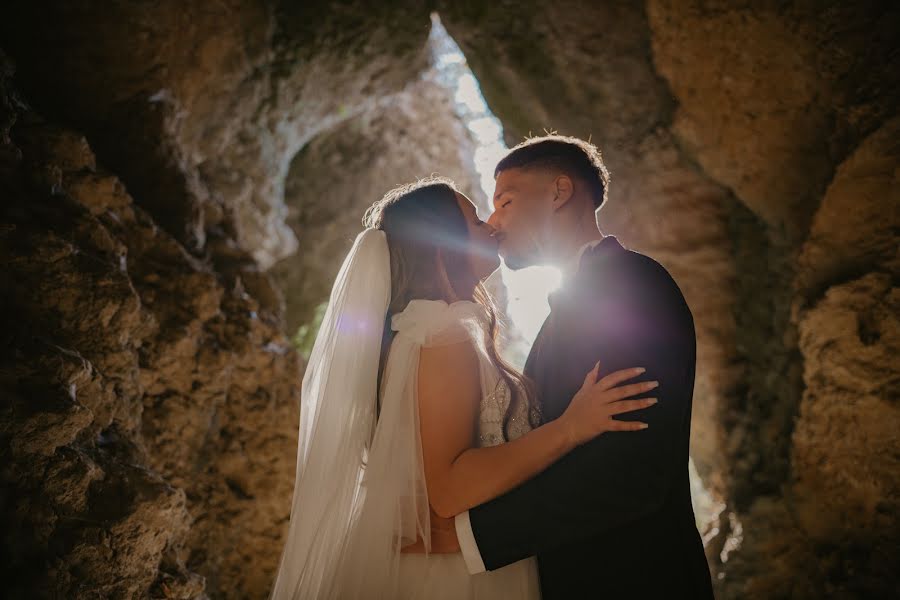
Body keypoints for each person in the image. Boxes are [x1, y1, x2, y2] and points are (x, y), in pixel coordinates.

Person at [267, 175, 657, 599]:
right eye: (474, 221)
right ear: (442, 246)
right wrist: (570, 429)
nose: (491, 225)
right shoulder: (442, 336)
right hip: (448, 579)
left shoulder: (440, 329)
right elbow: (449, 489)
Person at [443, 134, 716, 599]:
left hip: (637, 577)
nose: (494, 222)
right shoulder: (568, 307)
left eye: (505, 201)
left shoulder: (633, 283)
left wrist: (471, 538)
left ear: (559, 192)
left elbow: (631, 470)